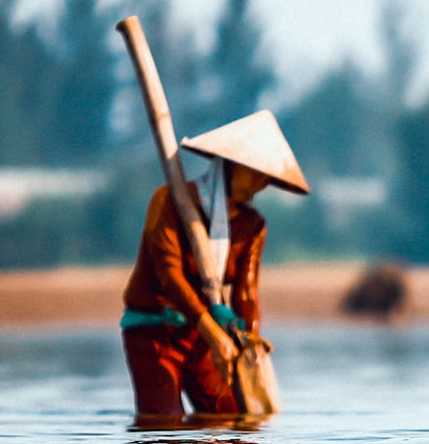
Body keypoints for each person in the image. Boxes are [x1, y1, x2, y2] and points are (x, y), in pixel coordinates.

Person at [120, 109, 310, 424]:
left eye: (267, 177)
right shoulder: (169, 201)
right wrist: (213, 335)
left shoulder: (252, 225)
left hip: (205, 337)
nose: (259, 184)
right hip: (155, 330)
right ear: (230, 165)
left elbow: (246, 295)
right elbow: (170, 278)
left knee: (235, 417)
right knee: (163, 425)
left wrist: (249, 349)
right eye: (254, 172)